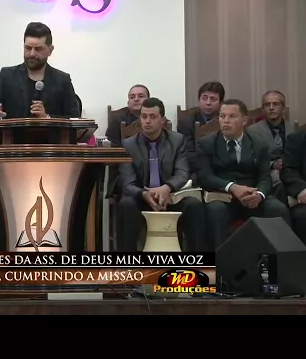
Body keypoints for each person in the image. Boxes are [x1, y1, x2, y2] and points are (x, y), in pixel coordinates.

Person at [195, 99, 290, 250]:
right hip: (222, 195)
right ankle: (219, 260)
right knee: (215, 210)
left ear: (244, 120)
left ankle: (280, 261)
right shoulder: (206, 143)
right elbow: (205, 177)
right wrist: (233, 187)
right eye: (222, 116)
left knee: (278, 209)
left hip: (252, 195)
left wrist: (259, 194)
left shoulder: (259, 144)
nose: (226, 121)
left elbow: (265, 177)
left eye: (232, 116)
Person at [117, 98, 206, 251]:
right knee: (126, 204)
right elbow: (127, 181)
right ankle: (127, 261)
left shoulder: (177, 140)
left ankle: (196, 259)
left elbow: (182, 172)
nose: (147, 121)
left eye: (153, 116)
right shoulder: (128, 145)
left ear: (162, 120)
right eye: (144, 116)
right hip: (142, 197)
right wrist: (144, 194)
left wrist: (167, 188)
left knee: (194, 205)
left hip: (170, 195)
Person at [0, 22, 79, 121]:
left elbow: (74, 117)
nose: (32, 54)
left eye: (38, 49)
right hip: (14, 131)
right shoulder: (7, 75)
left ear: (50, 50)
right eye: (28, 48)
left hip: (50, 131)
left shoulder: (62, 80)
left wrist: (47, 117)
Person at [280, 131, 306, 243]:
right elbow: (288, 170)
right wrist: (301, 189)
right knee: (302, 216)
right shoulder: (296, 140)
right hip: (304, 197)